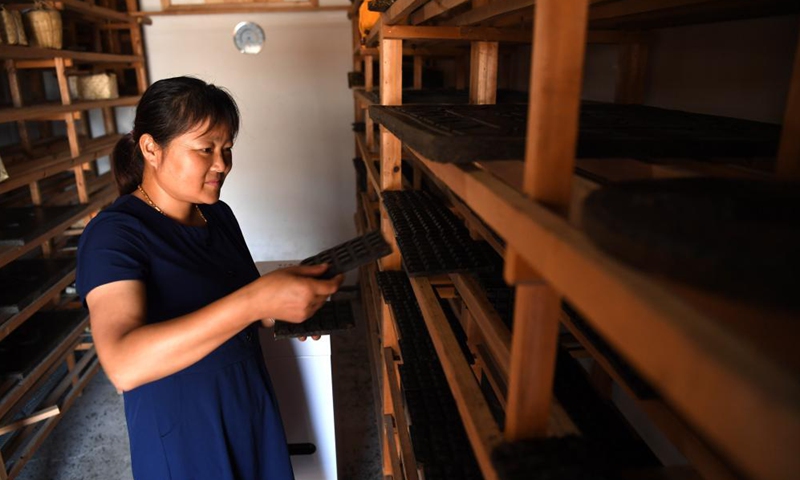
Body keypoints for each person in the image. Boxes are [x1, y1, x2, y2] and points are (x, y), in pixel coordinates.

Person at [76, 76, 343, 480]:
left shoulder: (218, 215)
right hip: (184, 434)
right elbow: (123, 364)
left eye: (227, 148)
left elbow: (246, 311)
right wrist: (257, 299)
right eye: (205, 149)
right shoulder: (115, 234)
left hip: (248, 406)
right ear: (151, 149)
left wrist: (285, 305)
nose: (222, 164)